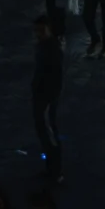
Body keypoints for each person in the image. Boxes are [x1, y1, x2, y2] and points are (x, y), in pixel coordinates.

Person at [30, 13, 65, 183]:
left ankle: (56, 171)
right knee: (45, 132)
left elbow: (56, 76)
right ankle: (52, 168)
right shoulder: (44, 46)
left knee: (49, 133)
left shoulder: (52, 49)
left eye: (41, 30)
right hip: (42, 94)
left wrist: (50, 95)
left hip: (47, 96)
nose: (37, 34)